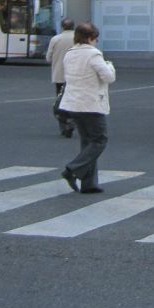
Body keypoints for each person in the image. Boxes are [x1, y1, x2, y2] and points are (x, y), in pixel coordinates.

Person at [59, 22, 116, 194]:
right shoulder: (93, 55)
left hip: (73, 103)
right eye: (95, 38)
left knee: (87, 142)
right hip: (91, 103)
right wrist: (110, 66)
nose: (96, 41)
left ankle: (89, 183)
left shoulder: (69, 54)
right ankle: (72, 169)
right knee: (99, 140)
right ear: (90, 38)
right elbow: (108, 77)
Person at [45, 19, 76, 137]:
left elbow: (48, 58)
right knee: (74, 100)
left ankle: (63, 125)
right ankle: (73, 121)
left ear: (62, 27)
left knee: (60, 101)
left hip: (59, 75)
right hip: (75, 76)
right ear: (73, 26)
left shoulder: (55, 39)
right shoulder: (78, 39)